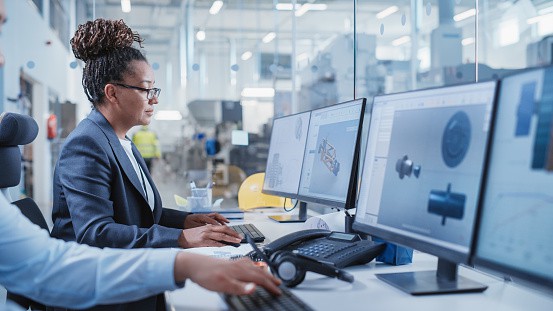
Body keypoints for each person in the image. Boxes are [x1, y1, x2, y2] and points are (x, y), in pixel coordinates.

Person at [0, 2, 281, 310]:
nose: (154, 99)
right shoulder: (86, 144)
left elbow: (137, 214)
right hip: (96, 291)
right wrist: (183, 242)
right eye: (147, 89)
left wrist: (187, 221)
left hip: (123, 269)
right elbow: (97, 233)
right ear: (112, 93)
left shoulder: (123, 141)